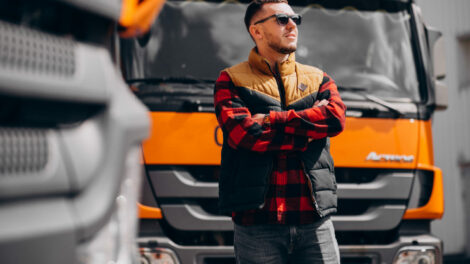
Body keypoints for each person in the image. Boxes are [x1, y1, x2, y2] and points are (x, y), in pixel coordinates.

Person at [213, 0, 346, 263]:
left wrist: (272, 121)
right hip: (257, 224)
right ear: (257, 31)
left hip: (315, 223)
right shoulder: (230, 79)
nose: (292, 24)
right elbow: (245, 136)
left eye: (295, 18)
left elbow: (335, 120)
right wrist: (308, 130)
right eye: (282, 19)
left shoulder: (318, 78)